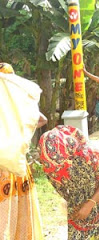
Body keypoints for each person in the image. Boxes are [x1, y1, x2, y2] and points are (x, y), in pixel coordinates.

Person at [39, 125, 99, 240]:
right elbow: (63, 188)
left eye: (59, 162)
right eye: (51, 165)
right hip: (81, 195)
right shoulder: (49, 166)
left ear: (67, 153)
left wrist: (90, 203)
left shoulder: (85, 157)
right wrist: (76, 205)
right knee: (77, 234)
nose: (56, 168)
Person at [0, 63, 47, 239]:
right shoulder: (16, 105)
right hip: (16, 166)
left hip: (5, 168)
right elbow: (42, 119)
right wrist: (22, 135)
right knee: (18, 211)